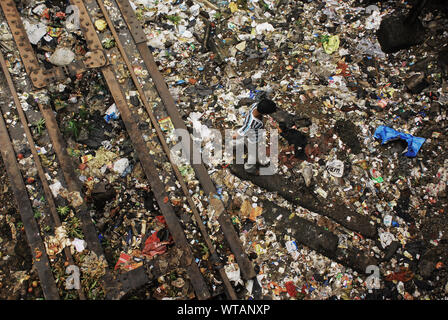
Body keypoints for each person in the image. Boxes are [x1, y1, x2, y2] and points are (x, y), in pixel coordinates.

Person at [232, 98, 277, 174]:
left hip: (252, 133)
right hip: (252, 139)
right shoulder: (251, 124)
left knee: (243, 141)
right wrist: (234, 136)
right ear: (264, 113)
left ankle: (233, 146)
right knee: (253, 156)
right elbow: (237, 135)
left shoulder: (256, 105)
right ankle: (249, 169)